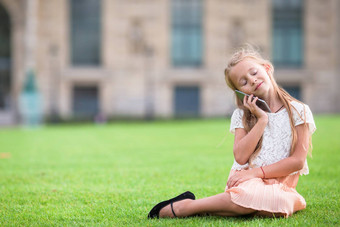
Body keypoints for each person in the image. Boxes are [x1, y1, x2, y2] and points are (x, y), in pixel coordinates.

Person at [147, 45, 316, 219]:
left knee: (280, 205)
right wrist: (262, 120)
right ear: (241, 92)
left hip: (280, 184)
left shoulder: (299, 110)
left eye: (254, 72)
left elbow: (297, 161)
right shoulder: (242, 115)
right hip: (247, 180)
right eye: (243, 82)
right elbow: (241, 157)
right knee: (252, 197)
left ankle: (207, 206)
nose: (251, 80)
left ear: (267, 68)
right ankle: (185, 207)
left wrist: (256, 172)